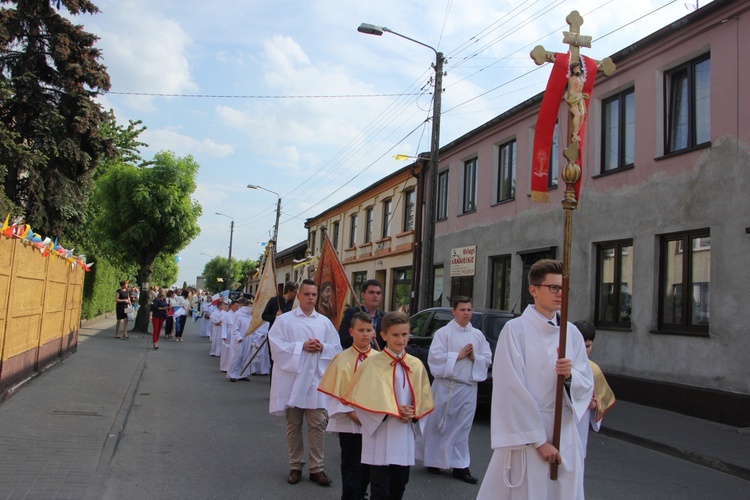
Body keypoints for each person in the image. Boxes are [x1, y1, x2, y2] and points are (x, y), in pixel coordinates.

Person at [477, 259, 594, 500]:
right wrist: (539, 441)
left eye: (564, 288)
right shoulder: (515, 330)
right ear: (533, 290)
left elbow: (587, 382)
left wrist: (570, 377)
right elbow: (510, 390)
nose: (560, 294)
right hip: (529, 435)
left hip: (564, 432)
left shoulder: (570, 333)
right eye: (554, 288)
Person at [343, 311, 434, 500]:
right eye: (395, 335)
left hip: (403, 433)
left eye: (404, 334)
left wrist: (414, 414)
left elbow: (423, 399)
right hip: (380, 434)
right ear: (383, 335)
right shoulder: (372, 364)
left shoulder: (415, 365)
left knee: (399, 485)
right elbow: (362, 400)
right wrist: (392, 411)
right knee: (380, 487)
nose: (401, 340)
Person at [268, 279, 341, 487]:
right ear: (298, 296)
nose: (311, 298)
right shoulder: (285, 321)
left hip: (316, 381)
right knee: (294, 425)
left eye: (314, 295)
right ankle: (295, 465)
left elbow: (336, 348)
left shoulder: (324, 322)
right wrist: (301, 347)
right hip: (294, 381)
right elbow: (276, 346)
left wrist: (322, 347)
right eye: (307, 294)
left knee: (317, 424)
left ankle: (317, 467)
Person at [416, 296, 492, 484]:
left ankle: (460, 466)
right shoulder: (443, 333)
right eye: (463, 309)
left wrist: (475, 358)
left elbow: (487, 357)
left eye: (469, 309)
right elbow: (434, 359)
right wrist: (456, 356)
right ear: (454, 311)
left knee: (462, 429)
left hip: (467, 388)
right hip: (446, 387)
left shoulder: (478, 335)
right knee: (439, 425)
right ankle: (433, 460)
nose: (467, 313)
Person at [318, 312, 376, 500]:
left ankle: (361, 494)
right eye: (360, 330)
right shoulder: (341, 359)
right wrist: (354, 415)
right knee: (352, 465)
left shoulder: (380, 360)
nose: (365, 334)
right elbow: (335, 393)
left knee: (370, 466)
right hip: (350, 423)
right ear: (351, 331)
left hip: (374, 423)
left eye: (368, 330)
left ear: (374, 332)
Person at [572, 320, 616, 460]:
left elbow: (603, 399)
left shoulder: (593, 370)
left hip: (582, 421)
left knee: (578, 457)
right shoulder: (562, 365)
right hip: (565, 418)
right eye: (580, 346)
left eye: (588, 346)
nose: (584, 350)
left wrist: (595, 405)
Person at [338, 279, 384, 349]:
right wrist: (362, 338)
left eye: (378, 293)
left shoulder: (385, 317)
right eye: (371, 292)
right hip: (356, 356)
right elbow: (342, 338)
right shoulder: (351, 313)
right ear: (363, 295)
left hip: (377, 358)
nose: (375, 296)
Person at [227, 299, 254, 382]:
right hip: (240, 338)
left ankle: (243, 374)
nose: (251, 308)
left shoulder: (250, 316)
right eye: (249, 306)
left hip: (248, 338)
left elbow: (252, 328)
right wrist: (238, 337)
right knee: (237, 356)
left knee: (246, 356)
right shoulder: (238, 315)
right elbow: (235, 328)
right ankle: (232, 374)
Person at [565, 61, 589, 143]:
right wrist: (553, 59)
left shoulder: (582, 77)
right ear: (572, 70)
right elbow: (561, 67)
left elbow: (593, 68)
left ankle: (576, 133)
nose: (577, 70)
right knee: (577, 115)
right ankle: (575, 134)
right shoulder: (571, 77)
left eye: (577, 68)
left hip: (580, 98)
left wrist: (599, 65)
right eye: (575, 69)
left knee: (582, 115)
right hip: (572, 98)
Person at [220, 300, 241, 372]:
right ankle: (225, 367)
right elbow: (224, 325)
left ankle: (232, 367)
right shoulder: (227, 315)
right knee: (227, 351)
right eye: (236, 305)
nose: (237, 307)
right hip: (229, 334)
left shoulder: (239, 314)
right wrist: (224, 335)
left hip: (235, 334)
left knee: (234, 352)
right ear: (232, 305)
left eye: (238, 306)